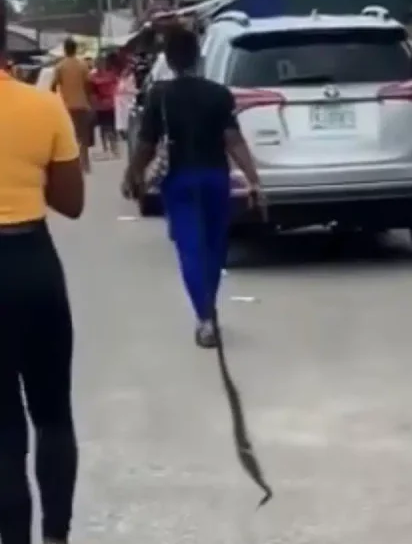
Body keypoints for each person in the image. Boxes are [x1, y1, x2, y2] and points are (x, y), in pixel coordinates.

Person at [0, 0, 87, 544]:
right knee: (52, 411)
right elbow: (74, 203)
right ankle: (57, 539)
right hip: (33, 261)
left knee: (2, 434)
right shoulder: (42, 104)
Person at [121, 25, 265, 348]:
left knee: (190, 248)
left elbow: (146, 144)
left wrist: (132, 175)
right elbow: (233, 140)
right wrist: (253, 179)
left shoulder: (159, 95)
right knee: (214, 249)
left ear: (169, 61)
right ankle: (209, 308)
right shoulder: (219, 94)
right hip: (215, 178)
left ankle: (204, 318)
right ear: (198, 58)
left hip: (180, 181)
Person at [51, 38, 93, 172]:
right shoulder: (83, 65)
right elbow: (88, 86)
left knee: (70, 138)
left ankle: (74, 166)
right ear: (75, 49)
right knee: (83, 137)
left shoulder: (60, 67)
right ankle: (85, 165)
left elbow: (53, 86)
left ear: (65, 49)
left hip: (66, 107)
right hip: (82, 105)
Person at [89, 53, 119, 156]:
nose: (99, 65)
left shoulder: (111, 74)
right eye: (97, 63)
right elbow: (92, 92)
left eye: (101, 63)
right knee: (103, 128)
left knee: (111, 127)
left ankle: (114, 148)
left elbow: (115, 88)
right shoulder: (93, 76)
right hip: (101, 105)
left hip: (110, 105)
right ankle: (106, 148)